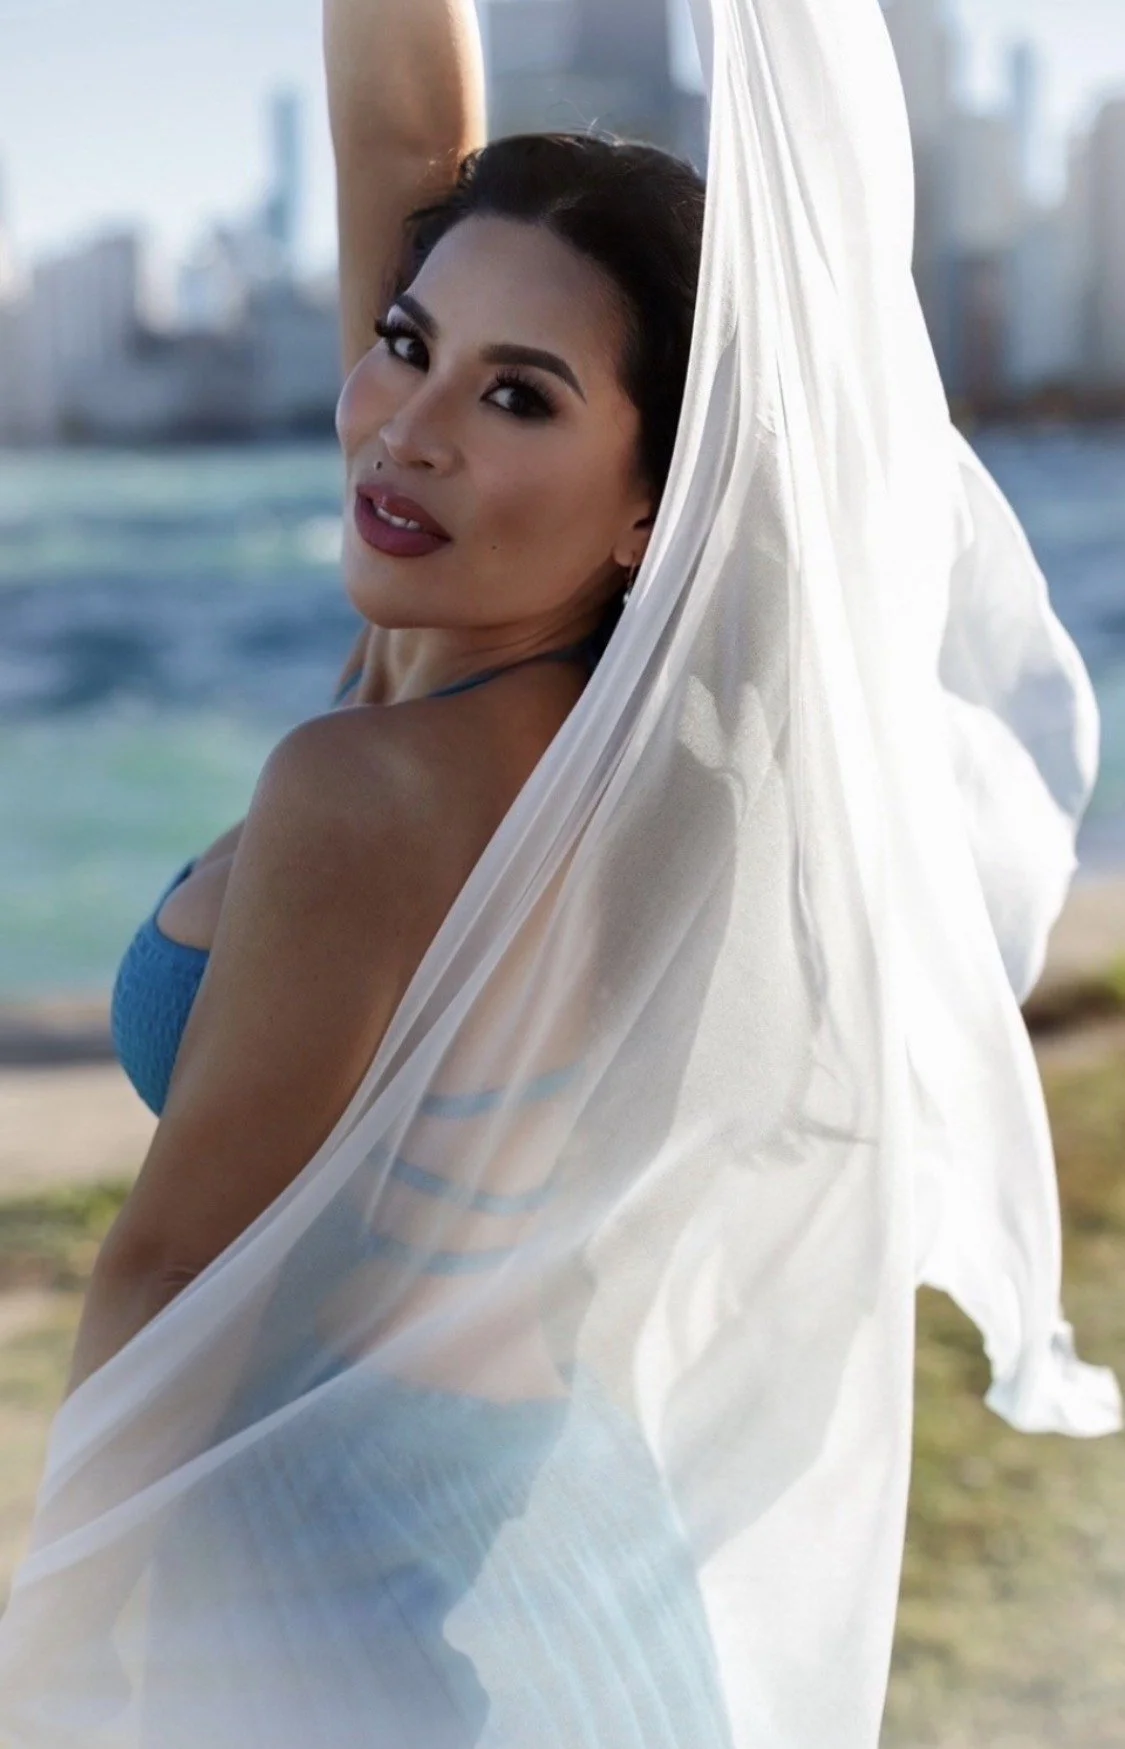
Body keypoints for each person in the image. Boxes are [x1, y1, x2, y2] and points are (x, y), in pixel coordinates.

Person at [0, 1, 1119, 1745]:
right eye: (403, 341)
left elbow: (166, 1283)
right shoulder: (623, 748)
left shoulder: (371, 791)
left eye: (519, 395)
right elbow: (398, 140)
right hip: (558, 1550)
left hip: (349, 1610)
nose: (405, 429)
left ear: (648, 511)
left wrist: (48, 1665)